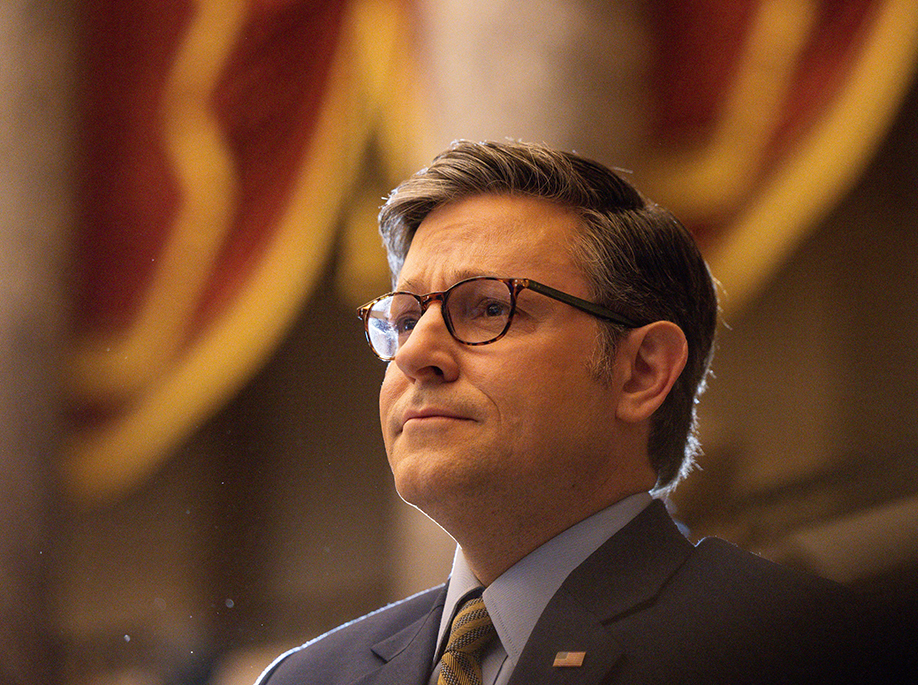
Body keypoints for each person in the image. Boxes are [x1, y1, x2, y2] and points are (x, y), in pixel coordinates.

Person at [255, 140, 862, 684]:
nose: (416, 354)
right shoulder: (310, 678)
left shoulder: (796, 649)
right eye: (407, 319)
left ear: (642, 371)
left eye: (489, 309)